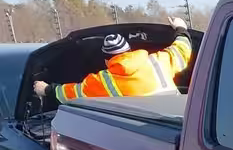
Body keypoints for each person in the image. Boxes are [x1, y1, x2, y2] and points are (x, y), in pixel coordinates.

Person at [33, 17, 192, 103]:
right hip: (180, 127)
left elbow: (71, 93)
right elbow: (182, 49)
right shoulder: (158, 61)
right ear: (130, 50)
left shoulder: (104, 81)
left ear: (107, 60)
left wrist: (46, 89)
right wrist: (181, 28)